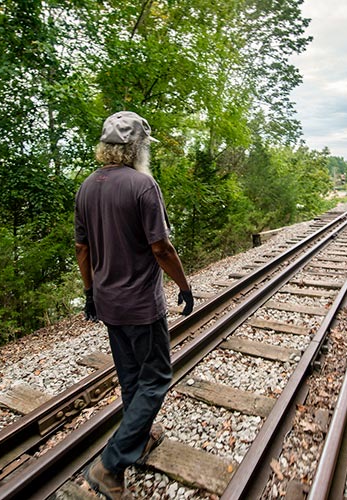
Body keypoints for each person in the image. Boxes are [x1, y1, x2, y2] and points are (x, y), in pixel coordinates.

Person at [75, 111, 194, 499]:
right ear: (136, 147)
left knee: (130, 378)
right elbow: (160, 247)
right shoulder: (144, 186)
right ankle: (110, 465)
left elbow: (82, 249)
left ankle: (137, 439)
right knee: (157, 377)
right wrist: (184, 284)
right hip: (142, 304)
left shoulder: (86, 188)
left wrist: (91, 292)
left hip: (108, 302)